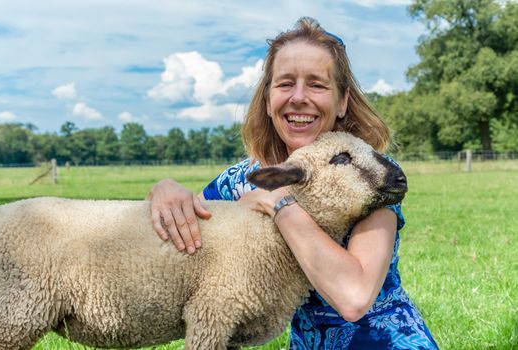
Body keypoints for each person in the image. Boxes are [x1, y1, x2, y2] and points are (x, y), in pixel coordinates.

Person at [148, 17, 438, 350]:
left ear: (342, 101)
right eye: (285, 84)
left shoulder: (368, 173)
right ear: (268, 100)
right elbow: (194, 226)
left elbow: (354, 298)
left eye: (317, 84)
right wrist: (166, 190)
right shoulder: (241, 180)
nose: (299, 97)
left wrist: (280, 202)